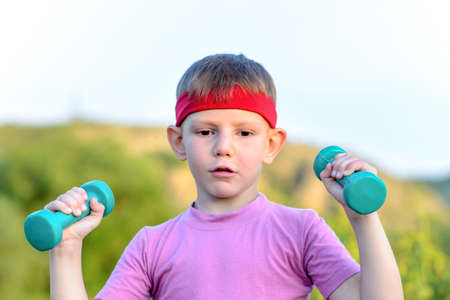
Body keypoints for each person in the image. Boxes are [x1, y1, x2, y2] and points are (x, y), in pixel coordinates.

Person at [46, 54, 404, 300]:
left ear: (272, 144)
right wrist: (65, 250)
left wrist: (363, 218)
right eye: (205, 132)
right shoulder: (151, 246)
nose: (223, 147)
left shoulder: (302, 231)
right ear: (178, 141)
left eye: (245, 133)